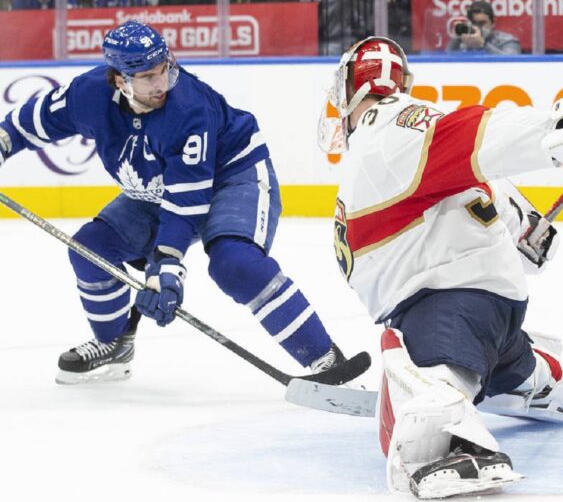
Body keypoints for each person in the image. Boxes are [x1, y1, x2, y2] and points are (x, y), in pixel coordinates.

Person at [318, 37, 563, 498]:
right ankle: (551, 382)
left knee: (406, 355)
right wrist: (524, 229)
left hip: (444, 308)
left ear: (348, 90)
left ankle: (445, 433)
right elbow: (488, 190)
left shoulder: (388, 128)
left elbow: (480, 133)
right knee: (506, 362)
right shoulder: (387, 143)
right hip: (491, 320)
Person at [0, 21, 352, 385]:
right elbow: (32, 121)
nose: (161, 84)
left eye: (164, 69)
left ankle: (325, 359)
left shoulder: (188, 108)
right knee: (89, 249)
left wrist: (167, 266)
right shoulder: (88, 95)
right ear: (120, 80)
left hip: (233, 176)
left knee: (235, 262)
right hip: (157, 190)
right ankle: (113, 345)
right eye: (149, 77)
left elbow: (188, 202)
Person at [447, 0, 521, 55]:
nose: (478, 28)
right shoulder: (462, 41)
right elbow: (445, 62)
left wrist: (483, 45)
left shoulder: (508, 41)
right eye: (473, 23)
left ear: (493, 23)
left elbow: (510, 64)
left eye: (482, 23)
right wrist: (457, 40)